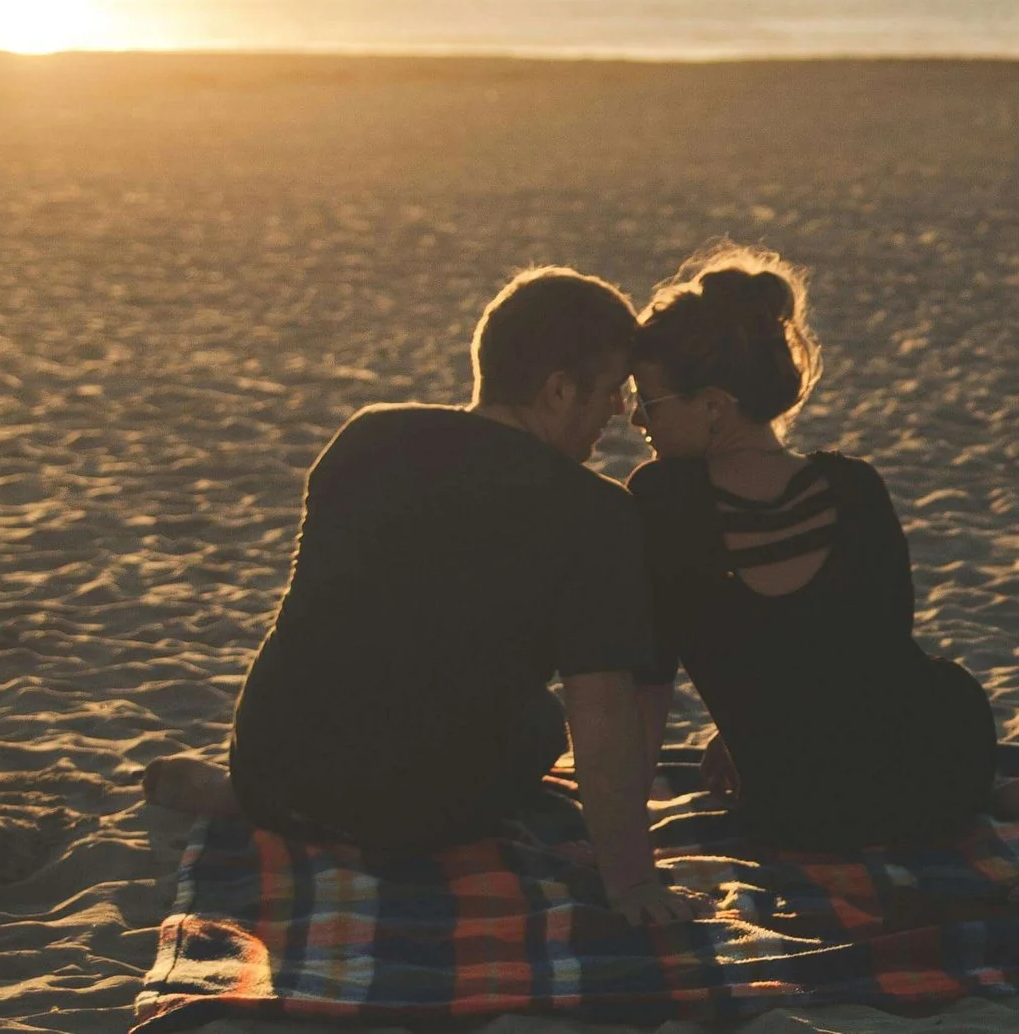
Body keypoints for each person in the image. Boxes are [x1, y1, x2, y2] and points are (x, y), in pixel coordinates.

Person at [144, 267, 694, 924]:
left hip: (267, 769)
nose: (619, 413)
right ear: (557, 390)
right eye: (610, 391)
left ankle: (243, 802)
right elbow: (600, 715)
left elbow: (329, 617)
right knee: (543, 722)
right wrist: (631, 883)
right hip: (410, 815)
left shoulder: (366, 436)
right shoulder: (594, 512)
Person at [626, 244, 1019, 851]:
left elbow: (650, 677)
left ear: (712, 405)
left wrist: (636, 815)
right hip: (929, 777)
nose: (635, 420)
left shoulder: (662, 501)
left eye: (647, 400)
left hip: (794, 805)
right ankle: (1000, 797)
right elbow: (871, 650)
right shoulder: (852, 486)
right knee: (941, 690)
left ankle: (1003, 798)